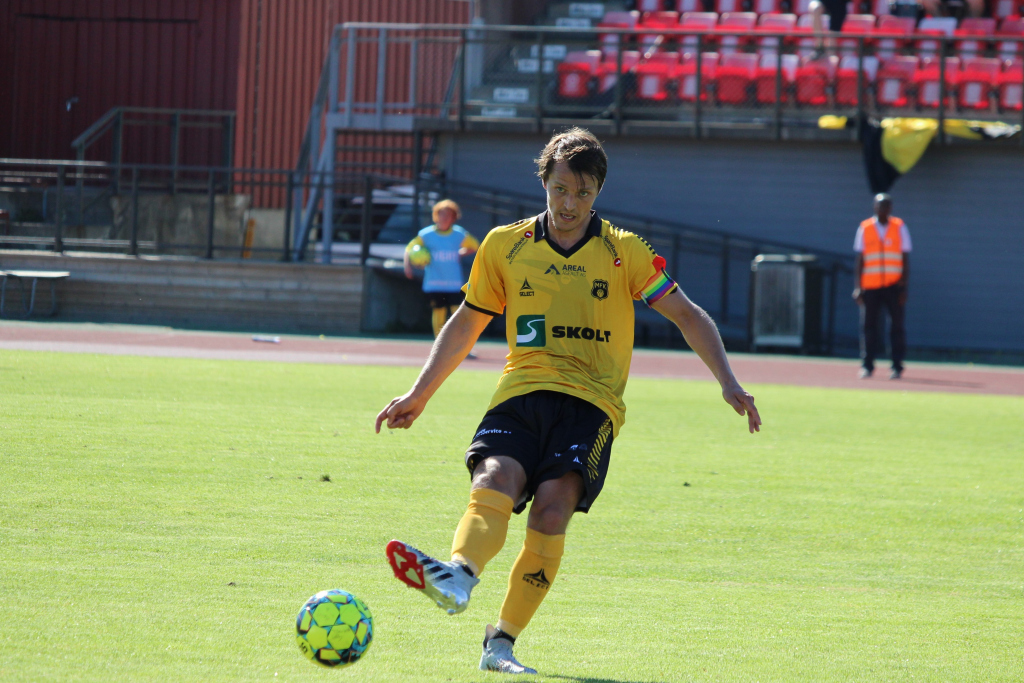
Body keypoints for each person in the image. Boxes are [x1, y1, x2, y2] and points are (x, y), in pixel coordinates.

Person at [375, 127, 761, 675]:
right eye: (560, 189)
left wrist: (727, 379)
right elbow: (466, 323)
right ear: (544, 183)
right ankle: (458, 575)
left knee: (552, 509)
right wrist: (420, 393)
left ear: (598, 191)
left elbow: (687, 314)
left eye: (583, 192)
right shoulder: (505, 246)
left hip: (592, 404)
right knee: (494, 477)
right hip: (522, 390)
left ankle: (501, 643)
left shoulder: (624, 251)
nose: (570, 204)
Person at [853, 193, 911, 380]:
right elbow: (860, 260)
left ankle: (896, 366)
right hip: (871, 286)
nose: (882, 209)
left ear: (890, 208)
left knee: (896, 327)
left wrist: (904, 286)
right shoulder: (865, 228)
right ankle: (867, 365)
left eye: (886, 206)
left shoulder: (899, 227)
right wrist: (858, 287)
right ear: (874, 207)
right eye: (879, 205)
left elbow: (905, 259)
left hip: (893, 286)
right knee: (869, 327)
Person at [404, 199, 480, 338]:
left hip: (454, 283)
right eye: (442, 214)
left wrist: (460, 253)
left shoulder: (459, 234)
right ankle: (439, 343)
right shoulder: (426, 234)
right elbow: (409, 248)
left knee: (458, 313)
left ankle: (459, 342)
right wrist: (408, 266)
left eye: (448, 215)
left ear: (453, 218)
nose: (444, 217)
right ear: (436, 215)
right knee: (439, 311)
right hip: (434, 282)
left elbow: (475, 246)